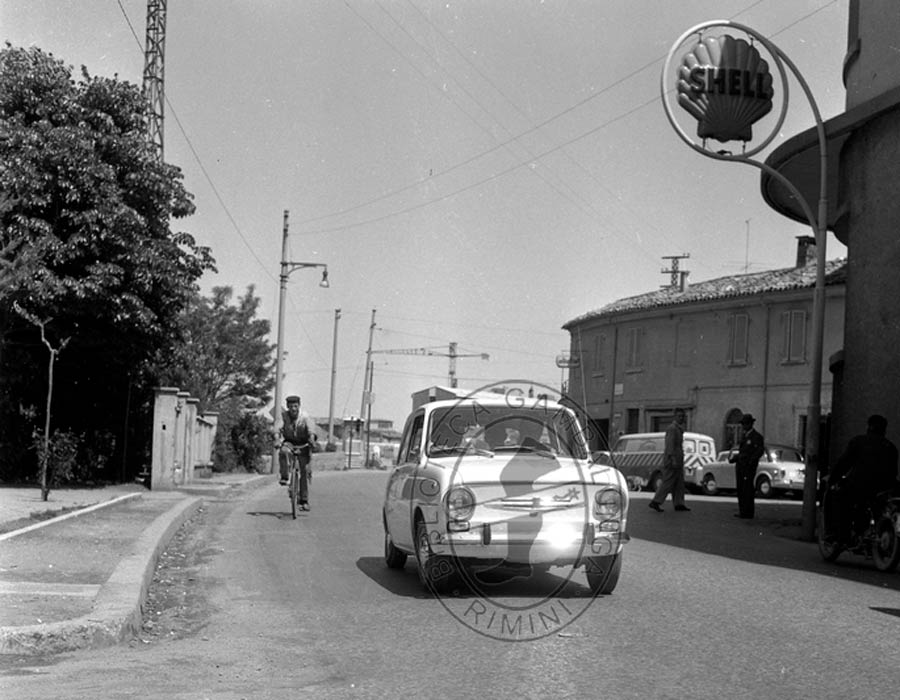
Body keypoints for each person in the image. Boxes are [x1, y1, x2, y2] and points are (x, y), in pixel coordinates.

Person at [830, 414, 899, 544]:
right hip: (884, 490)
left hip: (859, 485)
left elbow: (844, 463)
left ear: (869, 427)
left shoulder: (859, 442)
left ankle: (842, 536)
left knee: (841, 500)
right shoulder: (891, 447)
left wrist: (833, 479)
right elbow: (893, 472)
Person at [278, 394, 317, 511]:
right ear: (287, 407)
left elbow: (311, 429)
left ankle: (303, 500)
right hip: (289, 443)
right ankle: (285, 476)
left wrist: (311, 438)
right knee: (283, 451)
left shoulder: (305, 417)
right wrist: (276, 437)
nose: (293, 409)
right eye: (290, 406)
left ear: (299, 406)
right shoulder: (284, 416)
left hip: (303, 444)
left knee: (304, 471)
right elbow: (278, 427)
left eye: (295, 406)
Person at [648, 408, 690, 513]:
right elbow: (670, 445)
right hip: (672, 459)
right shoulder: (672, 428)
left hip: (678, 459)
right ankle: (656, 501)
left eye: (683, 416)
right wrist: (672, 458)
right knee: (668, 481)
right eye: (679, 416)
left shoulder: (679, 429)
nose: (681, 418)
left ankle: (679, 503)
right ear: (675, 416)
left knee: (679, 483)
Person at [729, 413, 765, 519]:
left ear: (751, 424)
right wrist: (736, 458)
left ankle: (748, 512)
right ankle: (743, 511)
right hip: (740, 465)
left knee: (747, 489)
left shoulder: (756, 437)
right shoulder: (744, 436)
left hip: (748, 467)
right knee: (740, 489)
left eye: (746, 424)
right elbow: (742, 451)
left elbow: (759, 451)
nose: (744, 426)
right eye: (743, 424)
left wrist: (751, 461)